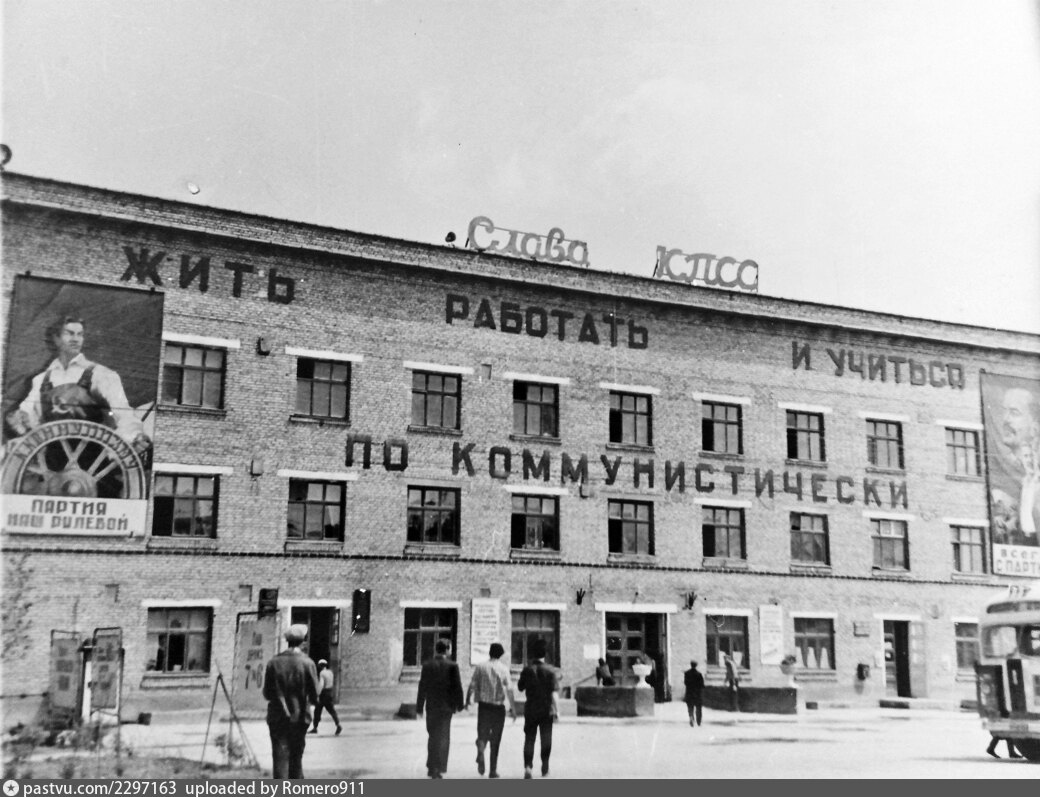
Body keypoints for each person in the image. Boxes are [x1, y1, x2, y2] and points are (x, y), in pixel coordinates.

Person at [6, 315, 150, 455]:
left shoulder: (102, 375)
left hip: (92, 459)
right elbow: (29, 417)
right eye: (69, 333)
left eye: (80, 334)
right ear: (56, 339)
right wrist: (19, 419)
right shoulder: (41, 380)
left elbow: (123, 414)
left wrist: (135, 436)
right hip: (51, 460)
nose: (75, 339)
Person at [263, 623, 320, 780]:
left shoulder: (273, 663)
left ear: (287, 641)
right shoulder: (308, 663)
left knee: (280, 758)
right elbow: (315, 696)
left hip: (277, 717)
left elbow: (267, 694)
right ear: (303, 641)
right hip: (300, 718)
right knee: (296, 758)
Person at [990, 386, 1040, 543]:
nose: (1006, 420)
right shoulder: (999, 467)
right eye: (1004, 411)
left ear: (1035, 425)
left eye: (1014, 413)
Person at [465, 642, 516, 778]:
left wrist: (467, 700)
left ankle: (481, 748)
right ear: (500, 655)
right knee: (496, 739)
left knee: (482, 733)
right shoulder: (504, 669)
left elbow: (472, 685)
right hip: (498, 708)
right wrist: (513, 708)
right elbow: (509, 689)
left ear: (490, 653)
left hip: (484, 707)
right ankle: (493, 770)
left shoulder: (480, 667)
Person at [416, 639, 464, 779]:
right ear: (447, 649)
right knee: (443, 738)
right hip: (446, 708)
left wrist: (419, 707)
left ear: (436, 649)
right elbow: (457, 687)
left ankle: (431, 766)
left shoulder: (427, 665)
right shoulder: (452, 666)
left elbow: (422, 687)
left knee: (432, 736)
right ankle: (437, 768)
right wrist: (460, 705)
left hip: (431, 707)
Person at [517, 638, 560, 779]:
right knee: (546, 738)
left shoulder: (527, 670)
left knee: (529, 739)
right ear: (545, 654)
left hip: (531, 709)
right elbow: (554, 694)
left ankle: (528, 767)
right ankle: (545, 767)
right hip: (546, 709)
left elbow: (520, 687)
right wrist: (557, 711)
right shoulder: (551, 671)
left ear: (533, 654)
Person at [310, 659, 342, 736]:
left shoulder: (322, 673)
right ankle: (338, 724)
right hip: (329, 693)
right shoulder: (330, 672)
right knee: (332, 710)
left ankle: (315, 727)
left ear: (320, 666)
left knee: (317, 711)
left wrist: (317, 694)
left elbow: (321, 684)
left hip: (323, 694)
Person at [683, 660, 705, 727]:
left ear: (691, 665)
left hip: (689, 693)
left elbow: (685, 683)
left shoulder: (687, 673)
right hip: (697, 693)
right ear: (696, 666)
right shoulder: (699, 674)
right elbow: (702, 685)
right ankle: (698, 721)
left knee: (690, 707)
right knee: (698, 708)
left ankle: (691, 717)